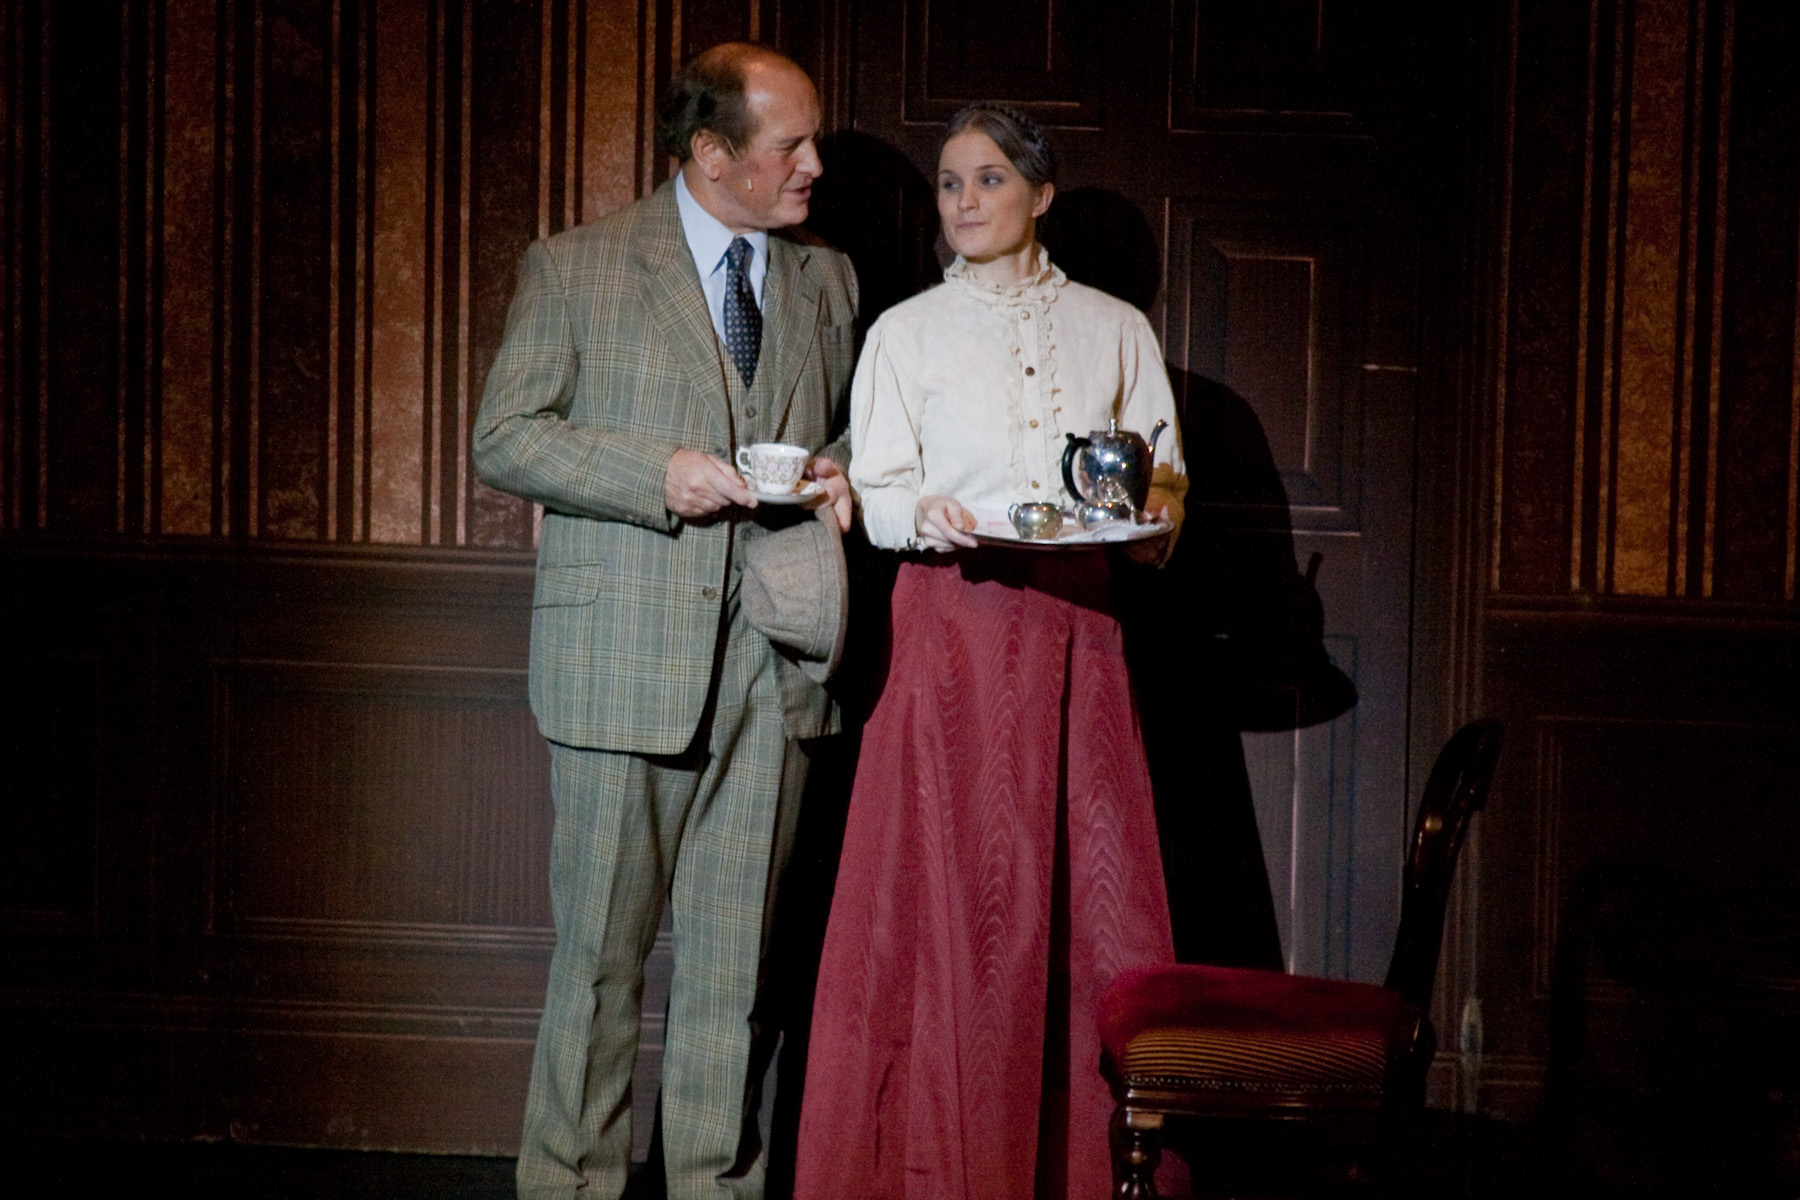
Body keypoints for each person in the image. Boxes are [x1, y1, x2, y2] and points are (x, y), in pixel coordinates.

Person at [472, 43, 859, 1200]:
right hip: (623, 662)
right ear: (709, 153)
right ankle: (571, 1187)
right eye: (790, 145)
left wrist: (840, 472)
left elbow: (850, 432)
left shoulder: (829, 279)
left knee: (737, 977)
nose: (815, 165)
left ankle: (712, 1186)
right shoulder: (577, 267)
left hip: (774, 666)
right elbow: (506, 436)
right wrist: (657, 473)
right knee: (599, 966)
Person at [792, 104, 1185, 1200]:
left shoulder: (1115, 329)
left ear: (1040, 195)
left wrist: (1150, 520)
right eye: (950, 183)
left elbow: (1162, 481)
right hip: (950, 629)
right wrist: (924, 513)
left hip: (1077, 630)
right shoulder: (906, 332)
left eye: (990, 180)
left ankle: (1071, 1165)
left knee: (1082, 888)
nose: (964, 202)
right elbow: (876, 491)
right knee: (947, 892)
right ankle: (934, 1162)